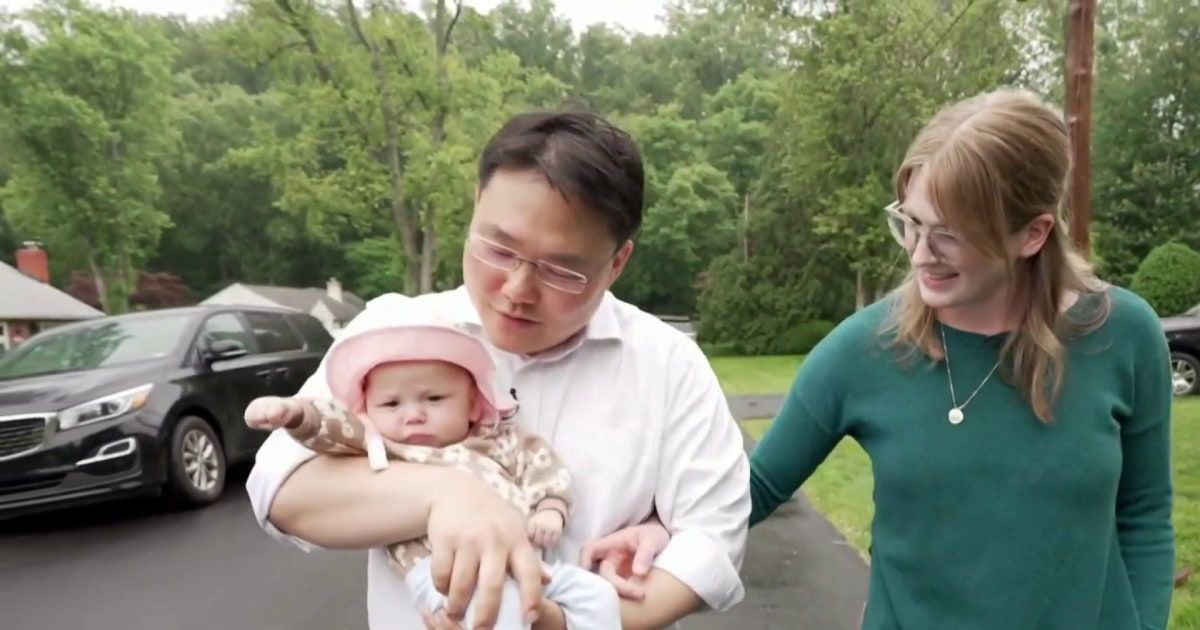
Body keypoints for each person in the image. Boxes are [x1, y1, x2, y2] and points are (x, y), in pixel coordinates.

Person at [245, 110, 751, 630]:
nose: (516, 290)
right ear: (476, 207)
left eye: (561, 270)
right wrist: (444, 494)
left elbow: (712, 542)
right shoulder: (395, 331)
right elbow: (282, 489)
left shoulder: (666, 365)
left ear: (617, 262)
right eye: (498, 248)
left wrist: (564, 623)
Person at [746, 88, 1175, 628]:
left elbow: (1145, 516)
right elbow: (752, 490)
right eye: (912, 222)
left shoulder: (1125, 335)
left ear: (1033, 234)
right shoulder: (863, 349)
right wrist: (655, 533)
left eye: (948, 234)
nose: (921, 253)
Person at [243, 309, 620, 629]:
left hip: (529, 563)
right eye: (391, 403)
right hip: (448, 572)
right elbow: (334, 426)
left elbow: (543, 466)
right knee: (494, 609)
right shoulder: (386, 449)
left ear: (474, 404)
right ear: (369, 412)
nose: (413, 415)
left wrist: (551, 508)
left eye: (434, 398)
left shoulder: (496, 440)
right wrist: (296, 414)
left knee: (599, 597)